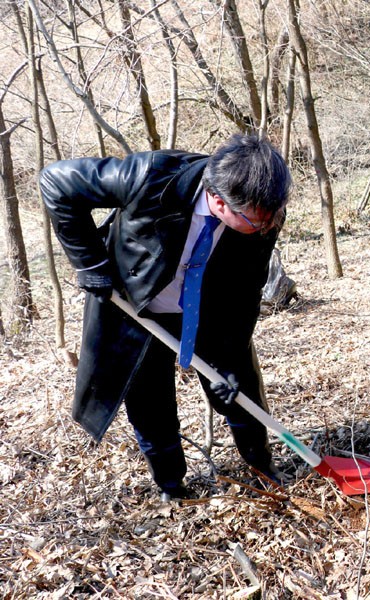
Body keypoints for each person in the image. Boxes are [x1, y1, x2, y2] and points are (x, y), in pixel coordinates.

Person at [41, 134, 292, 501]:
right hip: (139, 307)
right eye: (256, 221)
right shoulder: (150, 176)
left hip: (211, 310)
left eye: (273, 216)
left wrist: (232, 355)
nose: (268, 226)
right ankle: (172, 488)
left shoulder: (263, 213)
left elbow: (246, 288)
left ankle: (262, 469)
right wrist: (90, 263)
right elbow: (56, 181)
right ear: (219, 202)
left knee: (241, 390)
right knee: (150, 404)